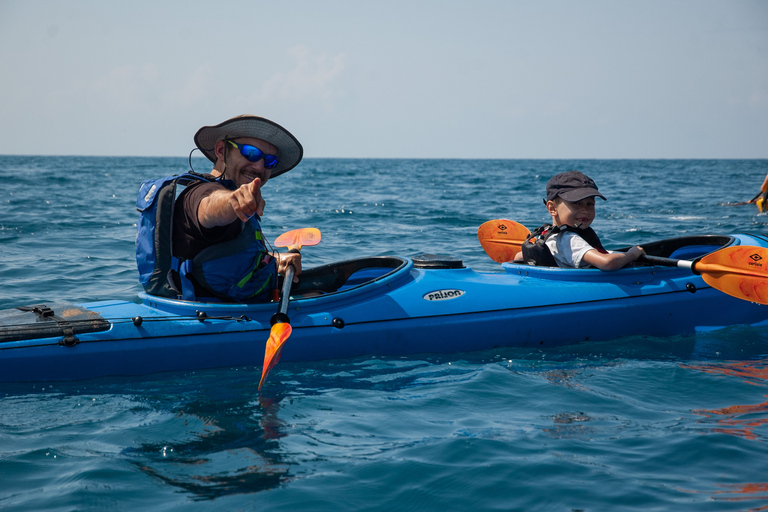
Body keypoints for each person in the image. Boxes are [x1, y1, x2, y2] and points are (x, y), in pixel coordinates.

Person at [136, 114, 304, 302]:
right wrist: (233, 200)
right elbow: (210, 208)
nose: (259, 166)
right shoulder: (201, 194)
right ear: (221, 150)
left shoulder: (230, 192)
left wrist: (276, 260)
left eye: (270, 161)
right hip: (211, 320)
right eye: (251, 153)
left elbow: (229, 258)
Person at [518, 171, 645, 270]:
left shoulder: (545, 235)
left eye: (590, 204)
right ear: (552, 208)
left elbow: (519, 257)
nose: (585, 210)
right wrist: (632, 254)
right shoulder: (571, 240)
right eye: (576, 203)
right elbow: (608, 263)